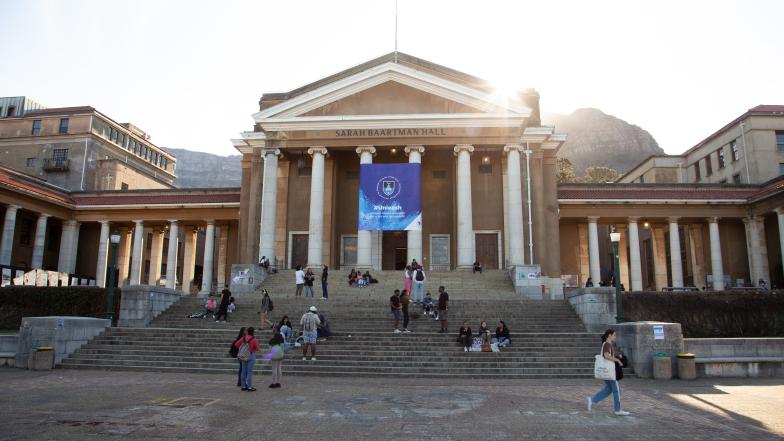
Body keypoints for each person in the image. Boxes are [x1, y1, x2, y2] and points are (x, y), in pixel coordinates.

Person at [587, 329, 631, 416]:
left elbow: (608, 355)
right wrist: (617, 360)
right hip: (609, 371)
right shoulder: (607, 344)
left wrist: (617, 356)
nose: (615, 337)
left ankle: (592, 400)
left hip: (607, 371)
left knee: (609, 389)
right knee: (617, 391)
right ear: (609, 335)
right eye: (614, 335)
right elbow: (607, 356)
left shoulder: (607, 344)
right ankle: (617, 410)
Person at [234, 326, 259, 391]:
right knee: (249, 372)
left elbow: (236, 344)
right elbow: (257, 348)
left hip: (243, 356)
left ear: (247, 331)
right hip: (251, 355)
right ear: (253, 332)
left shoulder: (243, 338)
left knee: (243, 371)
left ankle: (243, 386)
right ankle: (250, 387)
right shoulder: (254, 339)